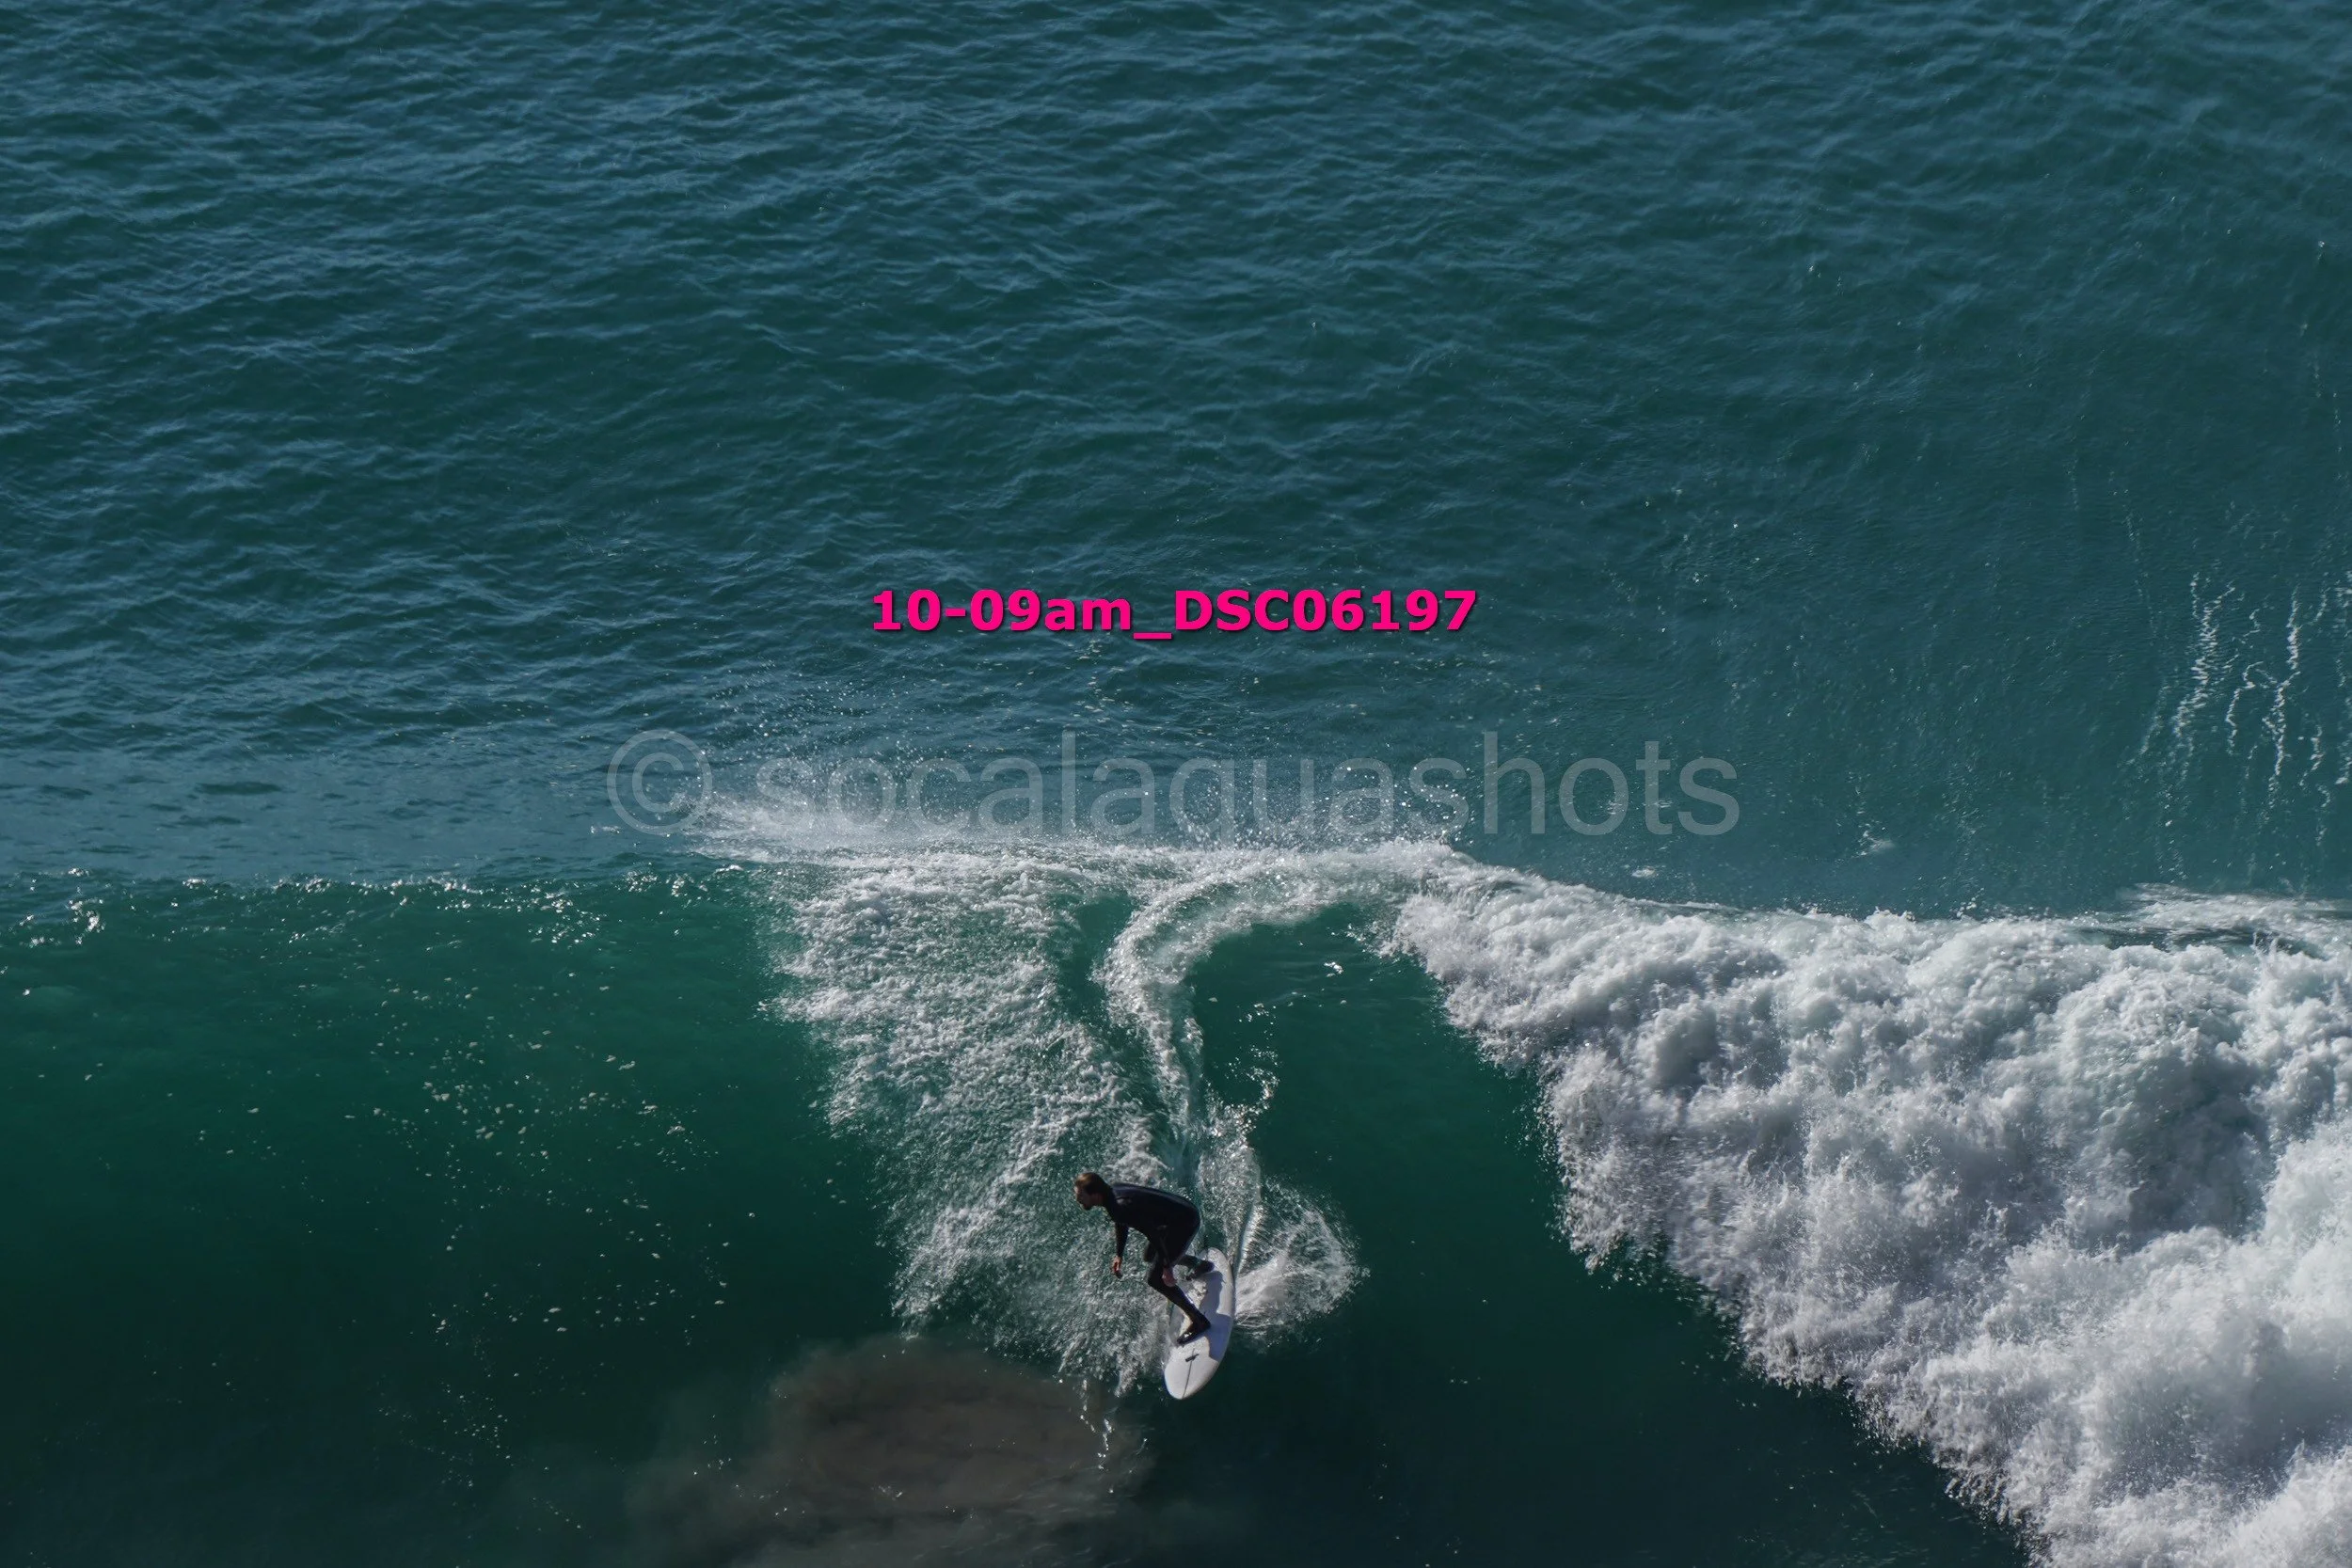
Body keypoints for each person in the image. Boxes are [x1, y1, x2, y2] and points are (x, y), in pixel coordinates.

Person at [1073, 1172, 1215, 1342]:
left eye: (1081, 1195)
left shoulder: (1119, 1206)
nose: (1078, 1199)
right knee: (1149, 1256)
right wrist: (1119, 1254)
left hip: (1184, 1223)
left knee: (1155, 1279)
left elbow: (1152, 1234)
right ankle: (1198, 1264)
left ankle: (1199, 1320)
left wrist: (1166, 1267)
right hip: (1179, 1215)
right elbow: (1120, 1220)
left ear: (1095, 1194)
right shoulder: (1113, 1193)